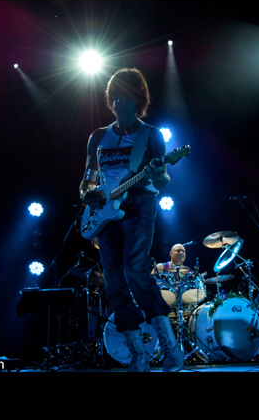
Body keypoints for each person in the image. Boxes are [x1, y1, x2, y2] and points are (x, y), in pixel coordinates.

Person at [79, 68, 184, 372]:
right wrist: (88, 195)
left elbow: (163, 180)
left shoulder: (152, 135)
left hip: (140, 203)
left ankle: (170, 349)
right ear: (111, 99)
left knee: (135, 269)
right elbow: (87, 178)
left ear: (138, 99)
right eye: (117, 96)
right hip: (105, 211)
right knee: (113, 281)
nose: (121, 101)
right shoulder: (98, 136)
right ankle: (138, 354)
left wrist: (156, 173)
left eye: (128, 96)